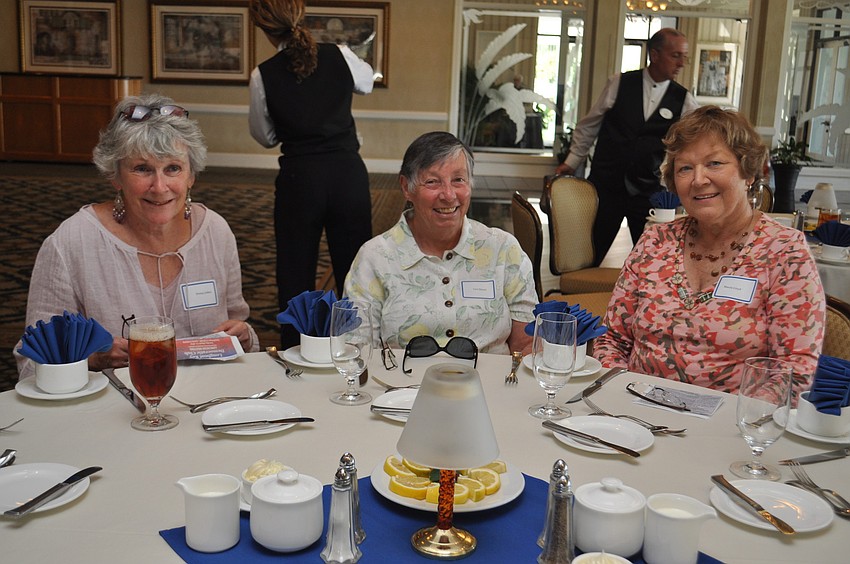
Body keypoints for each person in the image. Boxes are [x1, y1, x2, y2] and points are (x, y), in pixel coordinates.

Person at [15, 94, 259, 379]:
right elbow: (31, 364)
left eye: (173, 168)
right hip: (111, 410)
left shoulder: (216, 233)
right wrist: (89, 359)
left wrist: (245, 337)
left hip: (205, 405)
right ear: (115, 176)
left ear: (191, 176)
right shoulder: (72, 242)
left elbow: (240, 333)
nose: (159, 186)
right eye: (142, 169)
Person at [593, 106, 825, 398]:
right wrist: (621, 398)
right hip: (637, 414)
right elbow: (612, 339)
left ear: (748, 172)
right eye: (685, 168)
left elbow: (796, 367)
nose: (698, 179)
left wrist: (743, 420)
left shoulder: (784, 252)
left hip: (731, 427)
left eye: (714, 163)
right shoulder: (655, 241)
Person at [248, 0, 374, 348]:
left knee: (294, 271)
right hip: (347, 175)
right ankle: (357, 345)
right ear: (301, 17)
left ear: (263, 28)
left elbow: (264, 136)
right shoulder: (339, 54)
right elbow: (367, 83)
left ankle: (294, 350)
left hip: (299, 179)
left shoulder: (263, 74)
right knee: (355, 269)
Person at [344, 131, 537, 354]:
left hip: (490, 386)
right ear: (406, 187)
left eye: (458, 180)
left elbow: (525, 345)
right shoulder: (374, 258)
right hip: (404, 386)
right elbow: (358, 349)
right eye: (433, 182)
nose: (448, 195)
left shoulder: (503, 250)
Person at [556, 28, 699, 265]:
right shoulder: (619, 83)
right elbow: (588, 125)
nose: (682, 63)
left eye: (685, 56)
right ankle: (578, 298)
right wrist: (571, 162)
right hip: (606, 185)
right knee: (588, 256)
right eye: (676, 55)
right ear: (654, 54)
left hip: (647, 191)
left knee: (651, 260)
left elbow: (689, 145)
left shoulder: (684, 99)